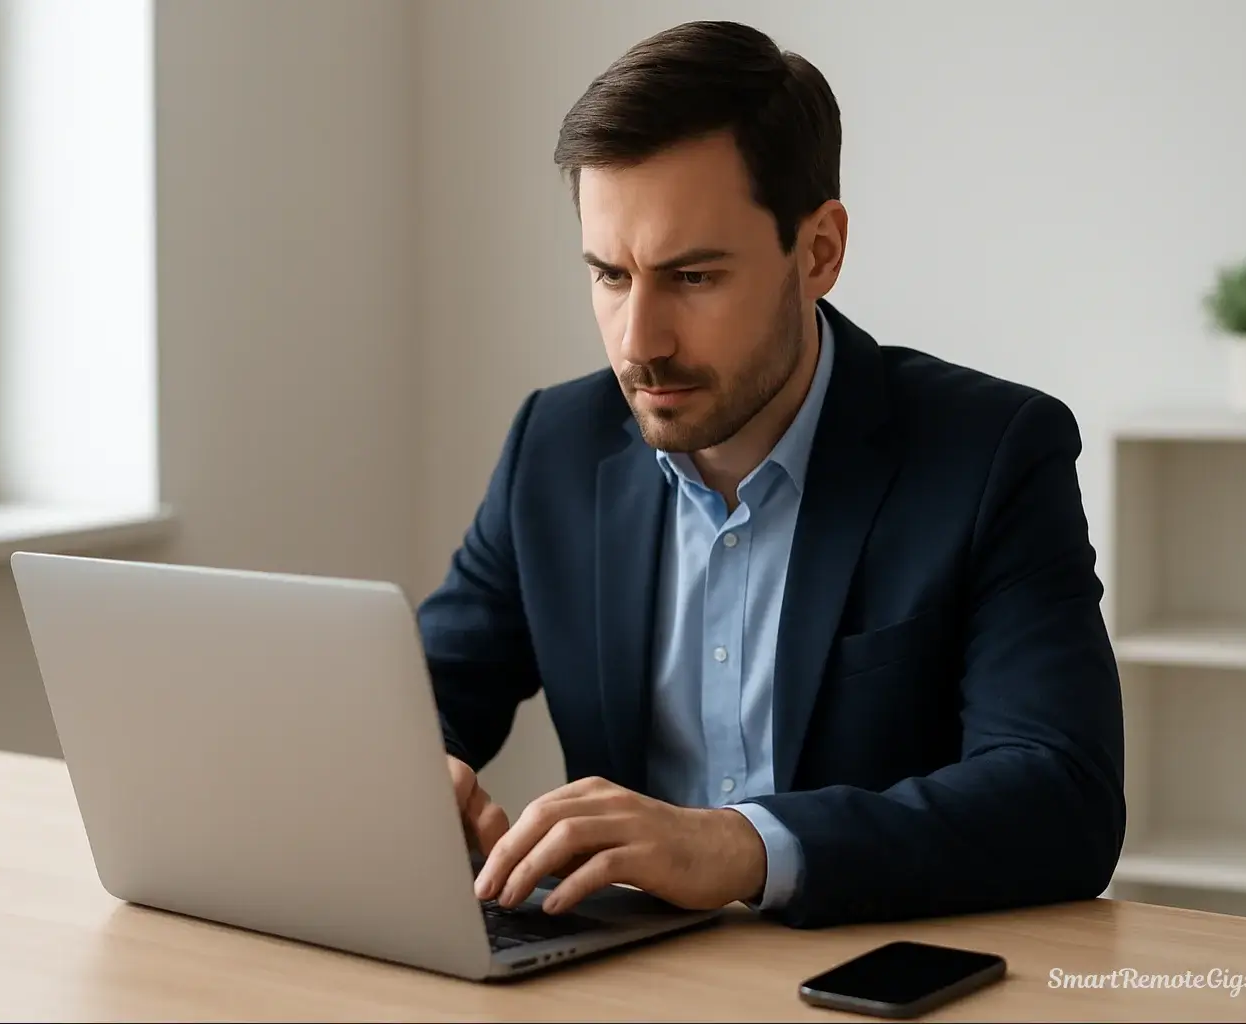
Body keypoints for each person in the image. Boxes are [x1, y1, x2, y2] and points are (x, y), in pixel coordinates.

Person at [417, 19, 1124, 929]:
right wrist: (413, 774)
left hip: (869, 974)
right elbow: (425, 690)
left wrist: (742, 846)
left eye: (694, 277)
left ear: (819, 252)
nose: (640, 342)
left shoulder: (992, 453)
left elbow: (1062, 798)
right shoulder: (552, 447)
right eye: (609, 275)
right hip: (619, 985)